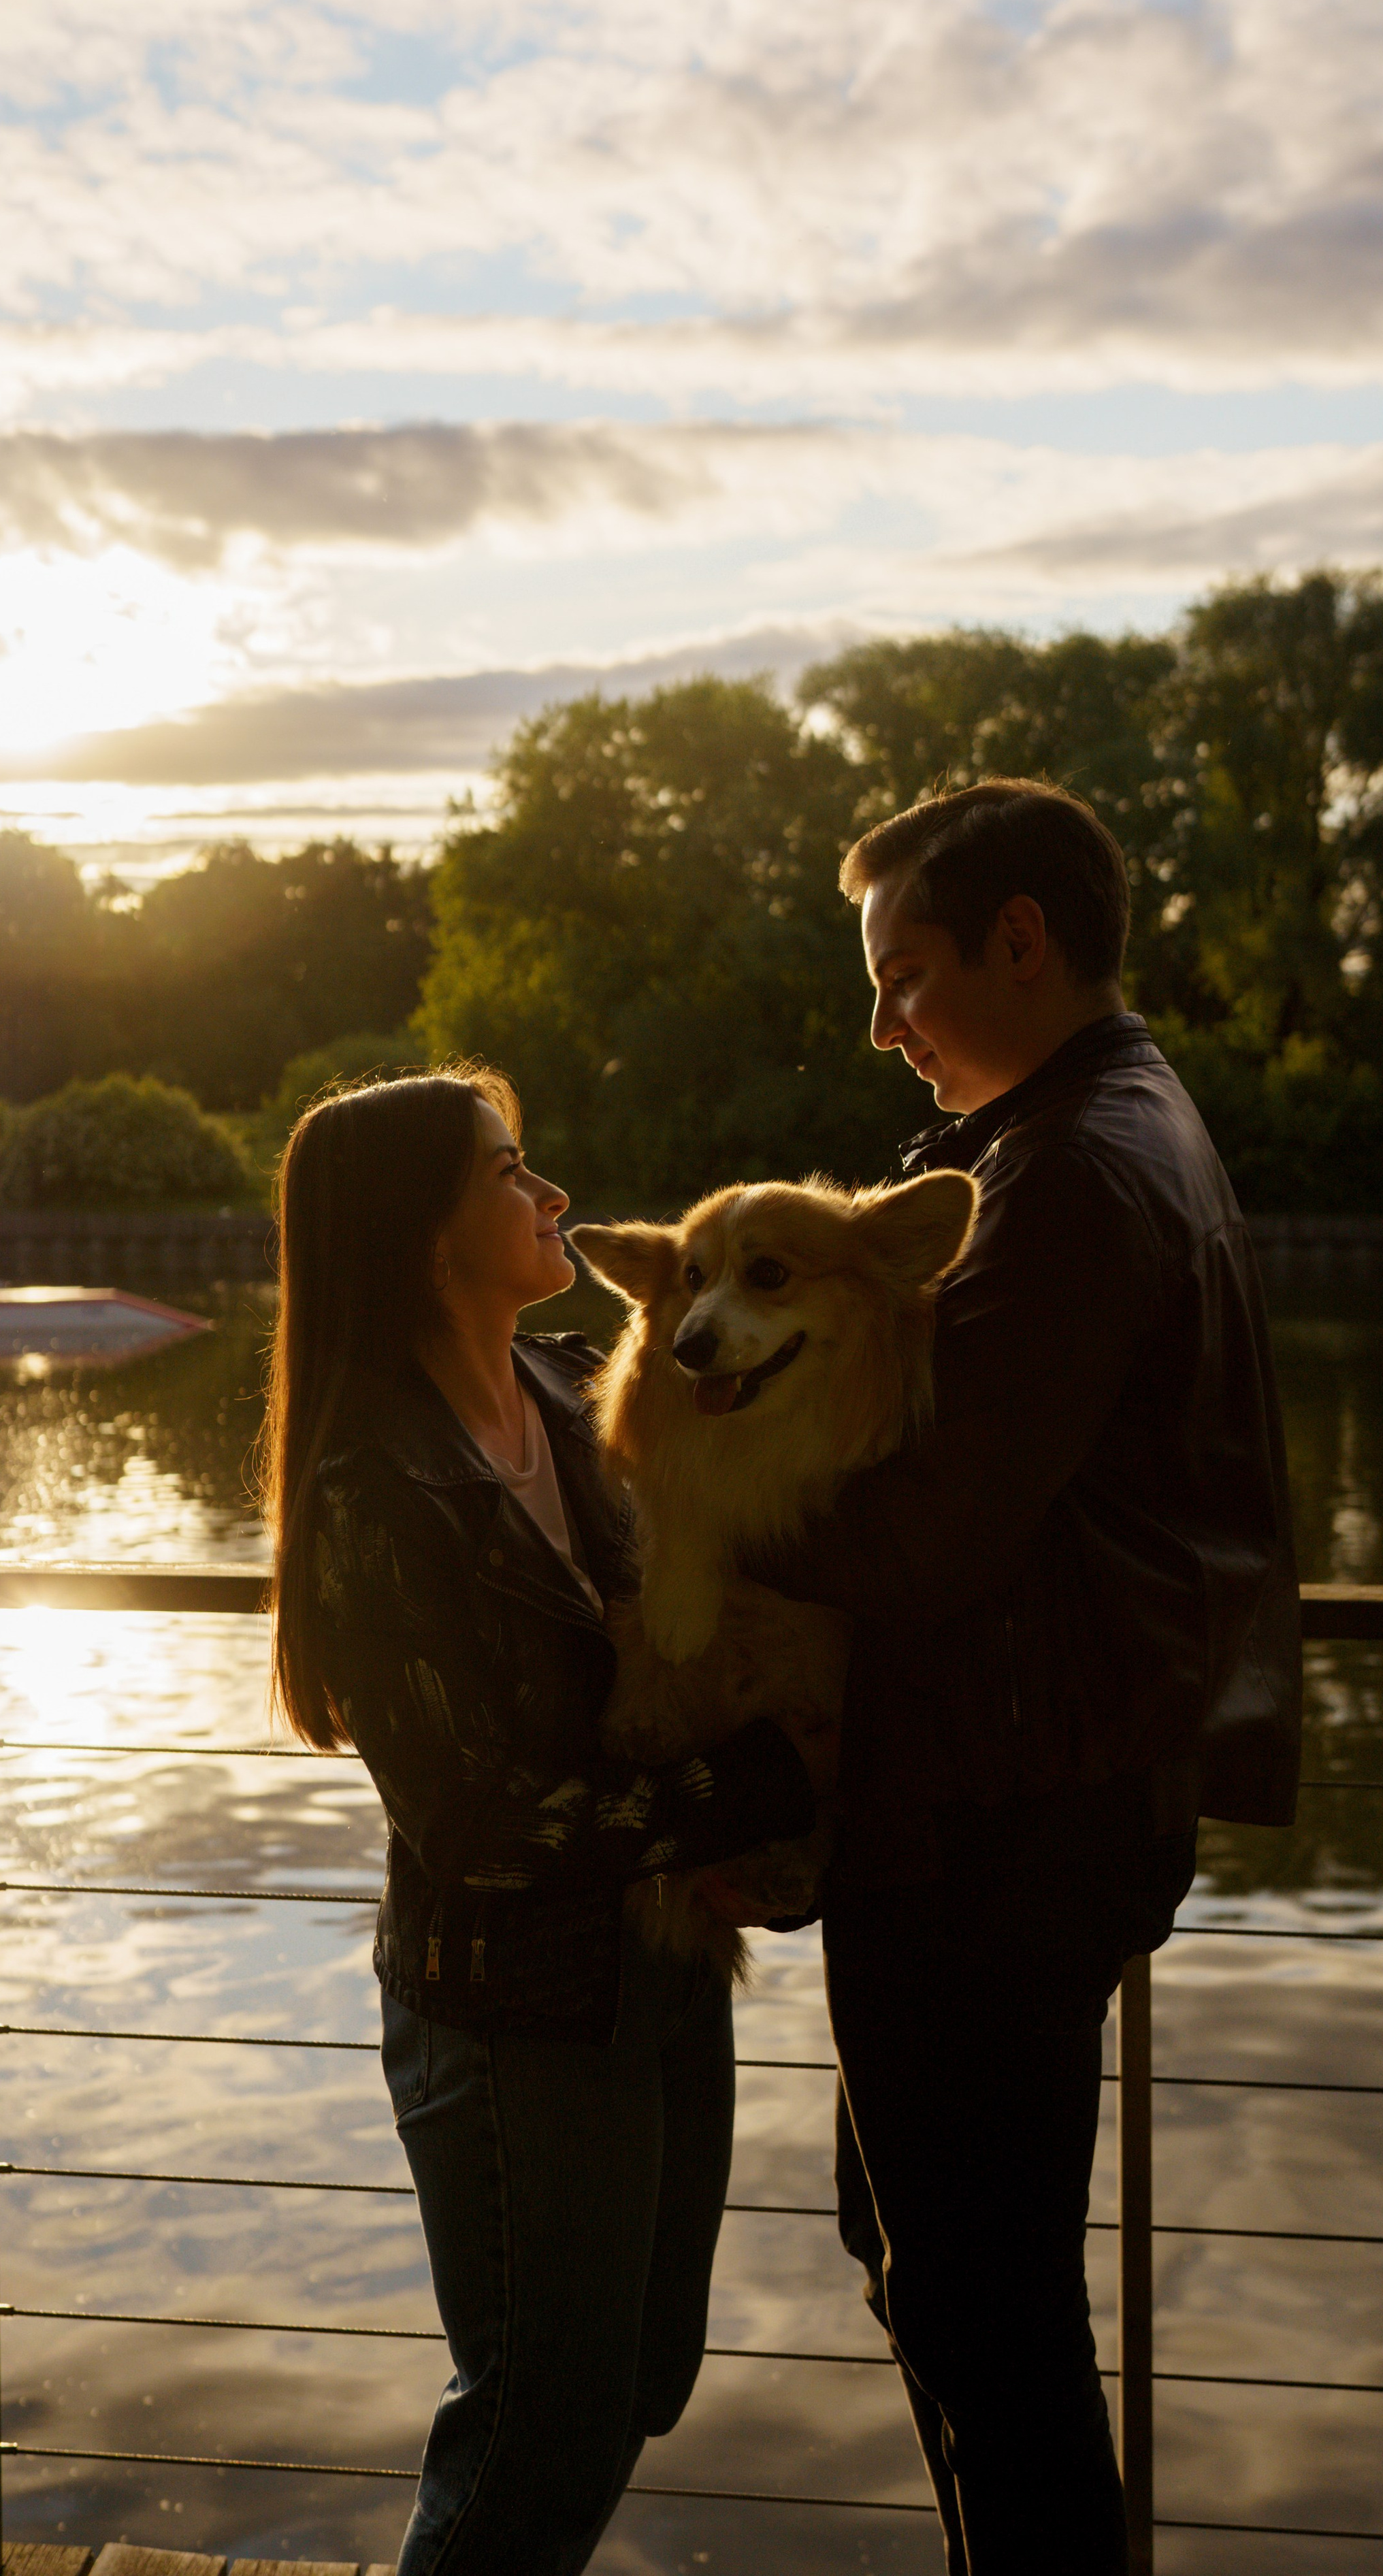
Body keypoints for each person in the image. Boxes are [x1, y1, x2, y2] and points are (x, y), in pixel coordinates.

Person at [742, 778, 1302, 2575]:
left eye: (902, 973)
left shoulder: (1063, 1174)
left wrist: (683, 1532)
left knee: (986, 2322)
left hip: (1000, 1827)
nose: (881, 1019)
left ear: (1021, 941)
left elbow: (924, 1539)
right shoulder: (1101, 1129)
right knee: (939, 2275)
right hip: (1038, 1800)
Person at [258, 1063, 830, 2576]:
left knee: (638, 2380)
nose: (552, 1196)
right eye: (511, 1172)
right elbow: (474, 1826)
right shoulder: (372, 1485)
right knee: (540, 2420)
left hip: (659, 1968)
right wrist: (763, 1791)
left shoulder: (583, 1388)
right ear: (421, 1235)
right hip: (512, 2006)